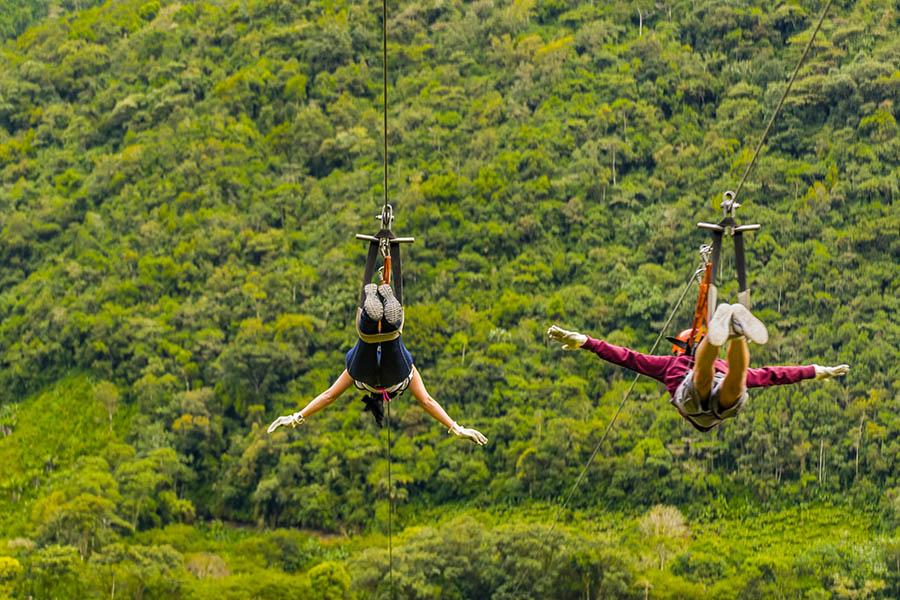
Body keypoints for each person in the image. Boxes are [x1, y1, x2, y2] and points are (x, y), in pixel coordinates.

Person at [547, 303, 849, 432]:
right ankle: (730, 333)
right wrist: (584, 341)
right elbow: (623, 355)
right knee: (712, 379)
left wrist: (816, 370)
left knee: (735, 379)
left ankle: (736, 333)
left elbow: (774, 375)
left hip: (708, 401)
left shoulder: (672, 364)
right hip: (692, 396)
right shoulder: (670, 366)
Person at [268, 282, 487, 445]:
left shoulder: (400, 384)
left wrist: (298, 417)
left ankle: (389, 319)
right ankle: (371, 319)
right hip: (368, 374)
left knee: (392, 337)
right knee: (368, 339)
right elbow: (427, 401)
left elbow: (329, 396)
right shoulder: (369, 384)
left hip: (393, 374)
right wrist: (456, 428)